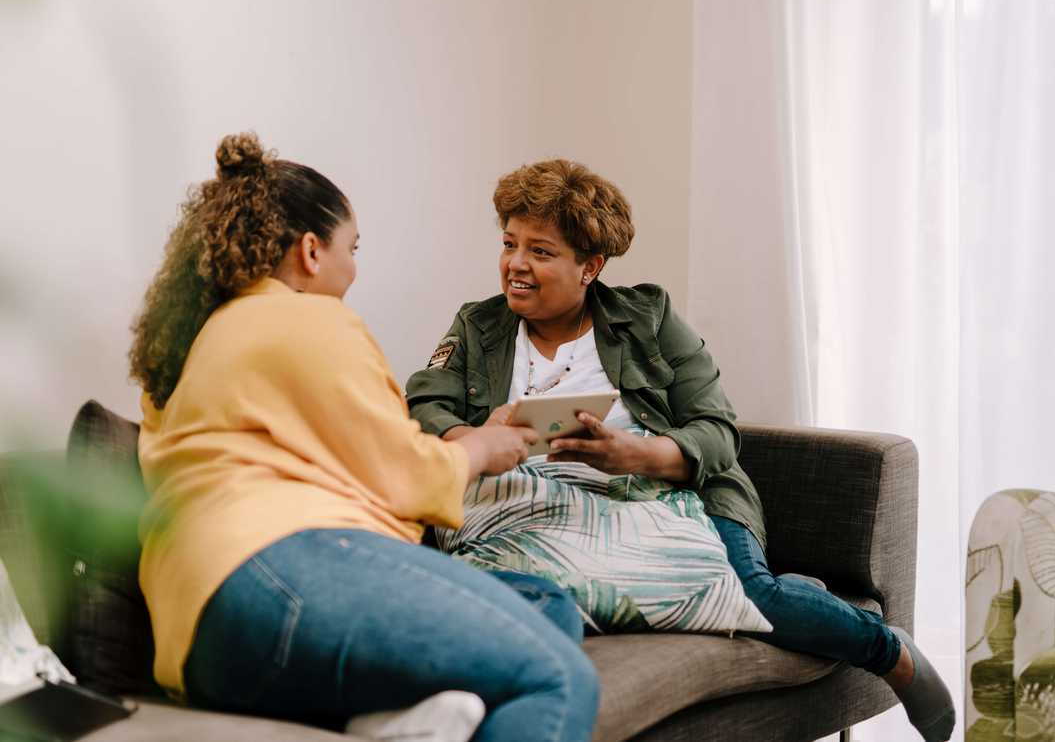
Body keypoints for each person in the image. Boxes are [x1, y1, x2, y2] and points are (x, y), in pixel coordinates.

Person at [406, 159, 955, 742]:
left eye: (540, 252)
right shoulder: (477, 326)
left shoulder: (648, 318)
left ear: (590, 267)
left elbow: (717, 430)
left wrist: (632, 456)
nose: (515, 264)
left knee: (752, 595)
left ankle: (890, 652)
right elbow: (425, 404)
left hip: (667, 494)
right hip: (534, 507)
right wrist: (473, 437)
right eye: (510, 244)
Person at [128, 134, 600, 741]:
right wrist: (481, 448)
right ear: (310, 252)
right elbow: (404, 474)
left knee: (546, 607)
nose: (355, 269)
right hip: (276, 568)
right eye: (352, 248)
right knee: (560, 676)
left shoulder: (193, 346)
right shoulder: (302, 318)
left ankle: (395, 723)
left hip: (199, 640)